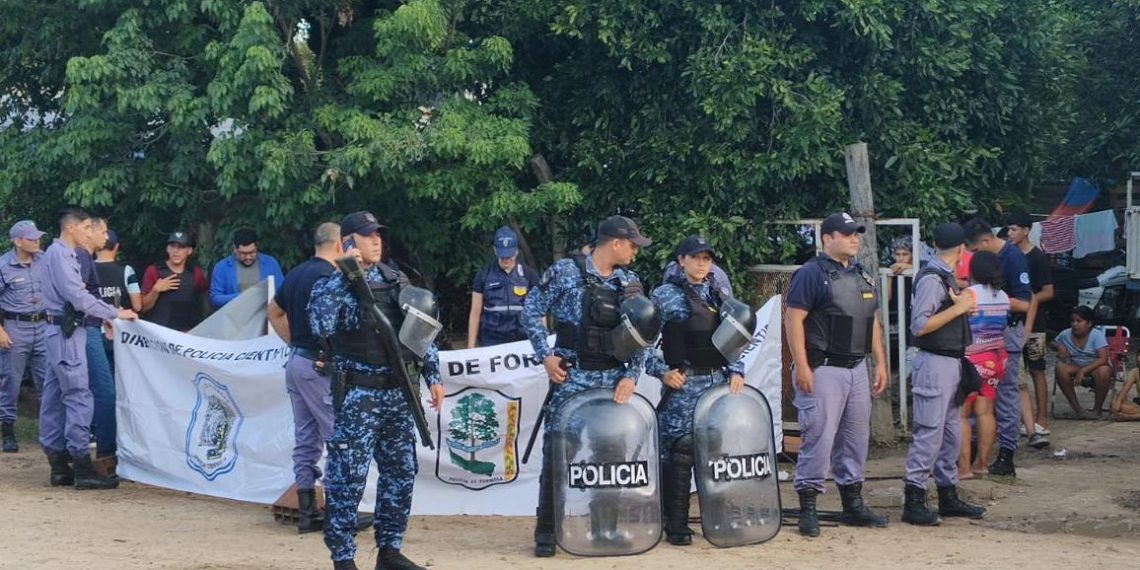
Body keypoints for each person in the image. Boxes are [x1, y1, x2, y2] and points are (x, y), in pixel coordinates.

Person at [309, 211, 445, 570]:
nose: (377, 241)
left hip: (398, 394)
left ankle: (389, 550)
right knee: (347, 478)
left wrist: (433, 375)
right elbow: (318, 323)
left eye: (379, 235)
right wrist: (344, 275)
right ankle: (343, 558)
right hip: (359, 395)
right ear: (348, 242)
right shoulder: (330, 283)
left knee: (401, 471)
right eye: (368, 236)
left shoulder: (394, 279)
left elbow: (421, 331)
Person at [520, 215, 655, 557]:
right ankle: (547, 532)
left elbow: (644, 337)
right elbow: (530, 309)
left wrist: (631, 375)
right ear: (615, 243)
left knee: (611, 456)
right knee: (557, 452)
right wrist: (545, 357)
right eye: (632, 245)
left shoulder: (631, 283)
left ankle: (605, 528)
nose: (636, 252)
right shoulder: (566, 272)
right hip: (572, 378)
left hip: (612, 380)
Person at [785, 212, 889, 537]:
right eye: (847, 234)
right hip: (823, 367)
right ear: (827, 238)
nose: (854, 238)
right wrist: (802, 366)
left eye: (856, 233)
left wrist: (881, 362)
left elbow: (871, 321)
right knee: (819, 438)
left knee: (855, 439)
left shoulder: (862, 275)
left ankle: (853, 504)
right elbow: (793, 320)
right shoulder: (811, 273)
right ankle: (808, 507)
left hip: (857, 367)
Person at [268, 222, 374, 535]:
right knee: (339, 438)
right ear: (340, 244)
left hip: (297, 362)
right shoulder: (331, 277)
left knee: (306, 438)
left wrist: (295, 344)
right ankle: (340, 513)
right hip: (319, 366)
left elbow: (273, 312)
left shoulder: (297, 273)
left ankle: (307, 512)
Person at [646, 235, 747, 546]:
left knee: (717, 452)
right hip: (685, 385)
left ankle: (719, 518)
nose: (702, 263)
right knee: (680, 453)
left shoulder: (719, 294)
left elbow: (734, 341)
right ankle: (675, 523)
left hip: (716, 384)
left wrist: (736, 370)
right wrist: (663, 373)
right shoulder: (664, 296)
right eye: (696, 257)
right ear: (681, 260)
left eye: (707, 258)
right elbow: (642, 344)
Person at [35, 208, 137, 490]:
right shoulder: (60, 255)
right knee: (79, 395)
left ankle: (58, 464)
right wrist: (115, 313)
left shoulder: (61, 255)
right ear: (72, 228)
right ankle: (81, 466)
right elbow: (78, 297)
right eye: (88, 228)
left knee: (55, 395)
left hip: (62, 330)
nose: (91, 234)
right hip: (67, 332)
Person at [900, 223, 986, 525]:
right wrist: (959, 308)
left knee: (949, 433)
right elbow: (920, 326)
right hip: (935, 362)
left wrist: (960, 310)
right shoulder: (933, 279)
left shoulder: (942, 277)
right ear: (962, 249)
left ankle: (948, 495)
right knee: (929, 432)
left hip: (949, 361)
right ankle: (914, 498)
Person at [963, 218, 1031, 477]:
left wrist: (987, 299)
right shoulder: (991, 272)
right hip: (991, 343)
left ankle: (1006, 455)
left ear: (985, 241)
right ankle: (978, 456)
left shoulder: (1013, 258)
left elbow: (1026, 302)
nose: (974, 256)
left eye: (976, 251)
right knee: (981, 400)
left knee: (1003, 399)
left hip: (1004, 337)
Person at [957, 251, 1009, 479]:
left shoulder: (968, 295)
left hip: (972, 361)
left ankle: (964, 468)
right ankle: (982, 464)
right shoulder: (1004, 297)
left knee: (961, 414)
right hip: (997, 359)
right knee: (986, 412)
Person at [0, 220, 50, 453]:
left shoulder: (45, 260)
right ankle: (8, 432)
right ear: (17, 241)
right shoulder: (3, 265)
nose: (36, 241)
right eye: (31, 238)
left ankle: (48, 433)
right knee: (11, 381)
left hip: (42, 325)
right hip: (14, 326)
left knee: (47, 381)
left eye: (37, 238)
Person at [75, 217, 118, 474]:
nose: (106, 236)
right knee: (104, 391)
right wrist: (112, 314)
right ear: (88, 231)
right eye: (103, 231)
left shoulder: (84, 258)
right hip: (84, 329)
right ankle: (105, 455)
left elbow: (89, 296)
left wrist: (103, 317)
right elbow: (78, 297)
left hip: (90, 325)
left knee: (80, 391)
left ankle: (70, 453)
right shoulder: (80, 258)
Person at [1007, 213, 1053, 445]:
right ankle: (1022, 420)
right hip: (1014, 322)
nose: (1010, 233)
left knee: (1036, 369)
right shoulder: (1010, 255)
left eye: (1014, 229)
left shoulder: (1037, 258)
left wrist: (1030, 299)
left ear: (1026, 230)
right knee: (1017, 373)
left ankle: (1042, 419)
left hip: (1036, 326)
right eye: (1009, 229)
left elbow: (1049, 291)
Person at [466, 226, 540, 348]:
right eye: (503, 255)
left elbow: (539, 311)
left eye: (509, 255)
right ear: (495, 250)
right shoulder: (483, 275)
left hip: (522, 338)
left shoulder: (529, 275)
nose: (506, 259)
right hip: (492, 339)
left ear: (516, 251)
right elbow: (475, 312)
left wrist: (542, 344)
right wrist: (470, 347)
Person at [94, 229, 143, 373]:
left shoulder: (85, 269)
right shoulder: (127, 270)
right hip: (121, 331)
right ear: (116, 247)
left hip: (93, 332)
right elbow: (138, 305)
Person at [141, 231, 208, 332]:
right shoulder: (154, 271)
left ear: (189, 251)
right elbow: (143, 308)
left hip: (188, 334)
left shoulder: (196, 273)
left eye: (181, 247)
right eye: (173, 246)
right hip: (160, 334)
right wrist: (155, 290)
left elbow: (206, 297)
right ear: (168, 249)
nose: (176, 251)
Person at [1054, 306, 1112, 418]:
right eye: (1072, 321)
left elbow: (1103, 358)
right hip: (1074, 366)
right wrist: (1059, 346)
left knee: (1104, 371)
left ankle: (1097, 409)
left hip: (1094, 367)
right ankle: (1077, 408)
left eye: (1079, 321)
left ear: (1089, 323)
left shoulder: (1096, 335)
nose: (1074, 324)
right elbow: (1053, 342)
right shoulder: (1066, 334)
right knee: (1060, 368)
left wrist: (1083, 371)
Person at [210, 228, 284, 309]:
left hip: (265, 317)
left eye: (252, 252)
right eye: (243, 254)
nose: (248, 257)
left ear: (257, 247)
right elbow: (215, 298)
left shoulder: (270, 263)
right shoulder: (222, 267)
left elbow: (282, 292)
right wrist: (242, 296)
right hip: (235, 317)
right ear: (235, 249)